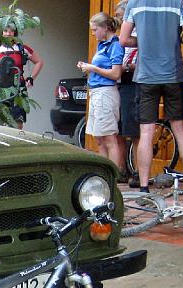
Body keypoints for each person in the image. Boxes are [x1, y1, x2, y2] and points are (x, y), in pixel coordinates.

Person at [119, 0, 183, 194]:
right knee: (179, 129)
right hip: (173, 75)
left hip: (146, 76)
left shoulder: (134, 3)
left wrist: (144, 41)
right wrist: (176, 39)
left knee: (146, 132)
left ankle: (144, 187)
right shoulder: (180, 2)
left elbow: (123, 40)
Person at [77, 12, 125, 176]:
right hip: (96, 93)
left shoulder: (115, 46)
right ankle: (103, 174)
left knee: (109, 137)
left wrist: (93, 68)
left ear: (105, 28)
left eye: (95, 29)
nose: (93, 33)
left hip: (106, 93)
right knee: (99, 137)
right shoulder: (102, 44)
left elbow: (116, 74)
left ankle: (114, 175)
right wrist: (88, 66)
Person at [0, 22, 44, 130]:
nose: (8, 34)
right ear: (2, 33)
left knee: (18, 120)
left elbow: (39, 62)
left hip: (18, 88)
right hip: (0, 89)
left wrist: (31, 78)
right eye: (6, 31)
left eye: (11, 31)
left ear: (15, 33)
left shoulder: (22, 48)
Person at [114, 0, 139, 186]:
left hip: (134, 84)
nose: (119, 21)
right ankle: (120, 170)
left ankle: (138, 171)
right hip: (119, 84)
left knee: (135, 131)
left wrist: (128, 66)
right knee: (119, 131)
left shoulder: (139, 36)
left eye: (121, 17)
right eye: (117, 17)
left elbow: (145, 61)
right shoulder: (118, 38)